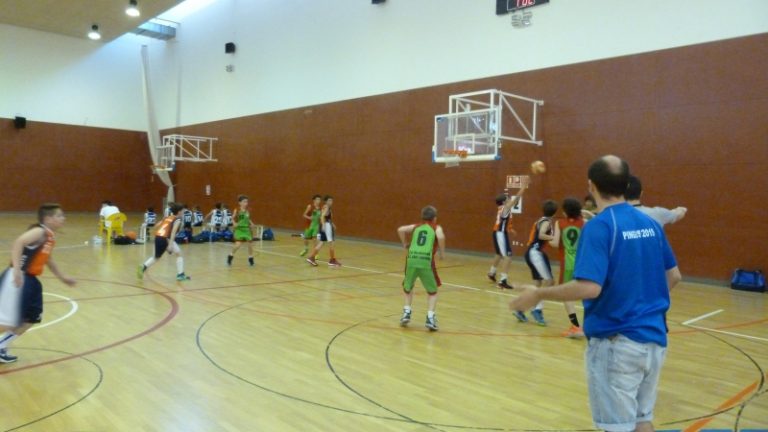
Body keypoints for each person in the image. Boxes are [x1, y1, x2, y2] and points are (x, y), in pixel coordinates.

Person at [511, 155, 681, 432]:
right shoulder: (650, 224)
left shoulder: (600, 226)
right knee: (642, 421)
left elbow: (589, 287)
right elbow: (674, 276)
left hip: (618, 344)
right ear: (626, 184)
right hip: (655, 340)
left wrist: (539, 295)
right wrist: (643, 304)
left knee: (617, 427)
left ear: (591, 186)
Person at [0, 204, 77, 363]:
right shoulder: (39, 231)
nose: (63, 218)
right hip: (18, 278)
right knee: (8, 321)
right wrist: (16, 269)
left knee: (31, 318)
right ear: (48, 219)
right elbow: (18, 242)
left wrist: (63, 277)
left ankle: (2, 346)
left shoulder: (49, 236)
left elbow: (48, 259)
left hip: (32, 281)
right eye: (59, 216)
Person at [397, 205, 446, 331]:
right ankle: (430, 318)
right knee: (433, 291)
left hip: (411, 259)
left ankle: (406, 312)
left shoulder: (416, 227)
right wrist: (442, 253)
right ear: (434, 218)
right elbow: (441, 236)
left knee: (408, 286)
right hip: (426, 261)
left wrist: (405, 243)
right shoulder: (436, 227)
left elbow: (401, 229)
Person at [512, 200, 558, 326]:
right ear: (555, 213)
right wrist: (554, 237)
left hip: (531, 252)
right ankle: (537, 309)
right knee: (550, 281)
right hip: (535, 253)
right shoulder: (547, 222)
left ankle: (520, 309)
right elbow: (542, 235)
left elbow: (547, 240)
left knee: (538, 284)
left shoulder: (541, 220)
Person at [548, 197, 585, 338]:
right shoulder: (584, 223)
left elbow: (555, 243)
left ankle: (575, 326)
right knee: (587, 293)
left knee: (567, 295)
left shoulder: (560, 223)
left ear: (565, 211)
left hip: (567, 263)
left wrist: (547, 237)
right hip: (582, 262)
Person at [137, 202, 191, 281]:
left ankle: (143, 266)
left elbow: (156, 226)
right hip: (166, 238)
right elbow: (173, 232)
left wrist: (162, 221)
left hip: (158, 237)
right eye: (183, 210)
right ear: (179, 212)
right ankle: (180, 275)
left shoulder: (168, 217)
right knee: (179, 254)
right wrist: (170, 244)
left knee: (156, 257)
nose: (184, 212)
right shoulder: (178, 220)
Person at [488, 183, 527, 289]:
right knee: (508, 256)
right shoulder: (505, 208)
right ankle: (503, 280)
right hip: (500, 234)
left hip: (497, 232)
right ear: (504, 202)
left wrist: (509, 229)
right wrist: (523, 187)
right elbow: (516, 199)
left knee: (499, 254)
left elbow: (502, 222)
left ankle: (492, 273)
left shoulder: (502, 209)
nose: (510, 200)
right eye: (508, 199)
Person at [306, 195, 341, 267]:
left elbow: (326, 217)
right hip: (327, 226)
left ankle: (311, 257)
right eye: (329, 200)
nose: (331, 202)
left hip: (326, 225)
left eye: (332, 200)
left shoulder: (325, 207)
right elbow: (322, 216)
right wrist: (324, 225)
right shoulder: (326, 207)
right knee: (331, 243)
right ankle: (332, 260)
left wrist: (332, 224)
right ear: (326, 201)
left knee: (321, 242)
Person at [227, 195, 257, 266]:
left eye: (246, 202)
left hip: (246, 229)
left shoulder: (248, 210)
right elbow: (232, 218)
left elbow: (248, 218)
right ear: (239, 203)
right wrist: (234, 223)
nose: (246, 203)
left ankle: (250, 258)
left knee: (250, 245)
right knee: (238, 245)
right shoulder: (237, 210)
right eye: (244, 202)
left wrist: (252, 223)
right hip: (239, 229)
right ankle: (230, 255)